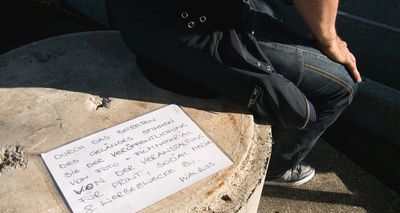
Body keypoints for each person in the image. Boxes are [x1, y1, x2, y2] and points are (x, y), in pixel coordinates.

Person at [106, 0, 362, 186]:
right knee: (341, 86)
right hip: (187, 28)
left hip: (136, 20)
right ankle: (273, 169)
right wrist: (328, 39)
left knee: (268, 12)